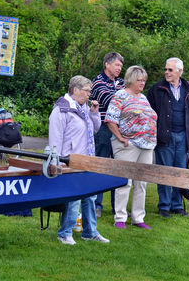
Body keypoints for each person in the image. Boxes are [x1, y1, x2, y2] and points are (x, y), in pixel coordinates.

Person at [49, 75, 110, 245]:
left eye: (90, 91)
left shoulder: (83, 108)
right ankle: (65, 233)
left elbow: (95, 130)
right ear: (75, 90)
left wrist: (94, 113)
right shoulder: (62, 109)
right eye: (86, 91)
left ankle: (90, 232)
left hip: (86, 159)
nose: (89, 94)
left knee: (90, 197)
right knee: (74, 198)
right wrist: (57, 161)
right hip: (69, 161)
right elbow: (55, 137)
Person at [147, 57, 189, 218]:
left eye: (170, 70)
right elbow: (149, 115)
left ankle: (177, 205)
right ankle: (164, 205)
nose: (167, 72)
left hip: (184, 137)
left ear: (180, 71)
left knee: (180, 172)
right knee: (164, 172)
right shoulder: (157, 89)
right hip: (165, 137)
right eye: (166, 69)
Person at [105, 66, 157, 230]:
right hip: (128, 145)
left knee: (141, 183)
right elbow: (110, 119)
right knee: (124, 181)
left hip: (146, 146)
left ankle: (137, 217)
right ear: (131, 80)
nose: (142, 83)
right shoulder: (120, 95)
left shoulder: (143, 98)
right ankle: (120, 217)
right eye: (139, 80)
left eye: (144, 80)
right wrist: (121, 138)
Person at [91, 52, 125, 218]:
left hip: (120, 129)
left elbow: (128, 101)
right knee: (101, 166)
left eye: (121, 66)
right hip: (103, 129)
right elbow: (111, 101)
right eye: (117, 65)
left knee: (117, 168)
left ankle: (116, 206)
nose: (120, 68)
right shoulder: (97, 82)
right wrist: (126, 100)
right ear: (107, 64)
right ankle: (97, 205)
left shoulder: (122, 82)